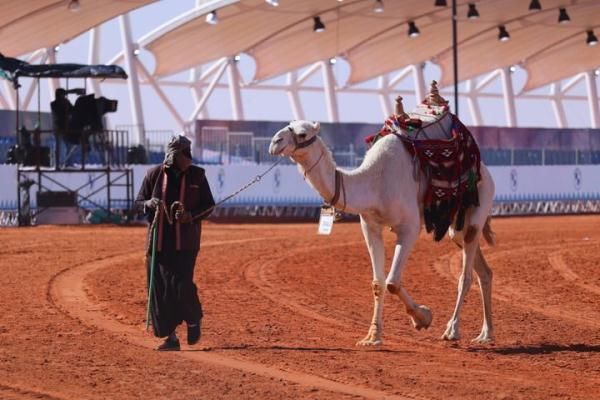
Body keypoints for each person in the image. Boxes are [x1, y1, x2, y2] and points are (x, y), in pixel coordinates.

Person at [135, 135, 215, 351]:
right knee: (160, 291)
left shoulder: (197, 176)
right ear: (173, 155)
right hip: (158, 243)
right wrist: (149, 203)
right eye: (182, 154)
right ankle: (171, 338)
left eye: (187, 153)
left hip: (186, 243)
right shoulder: (154, 174)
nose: (186, 158)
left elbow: (209, 206)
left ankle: (193, 319)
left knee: (181, 285)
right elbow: (138, 202)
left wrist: (189, 215)